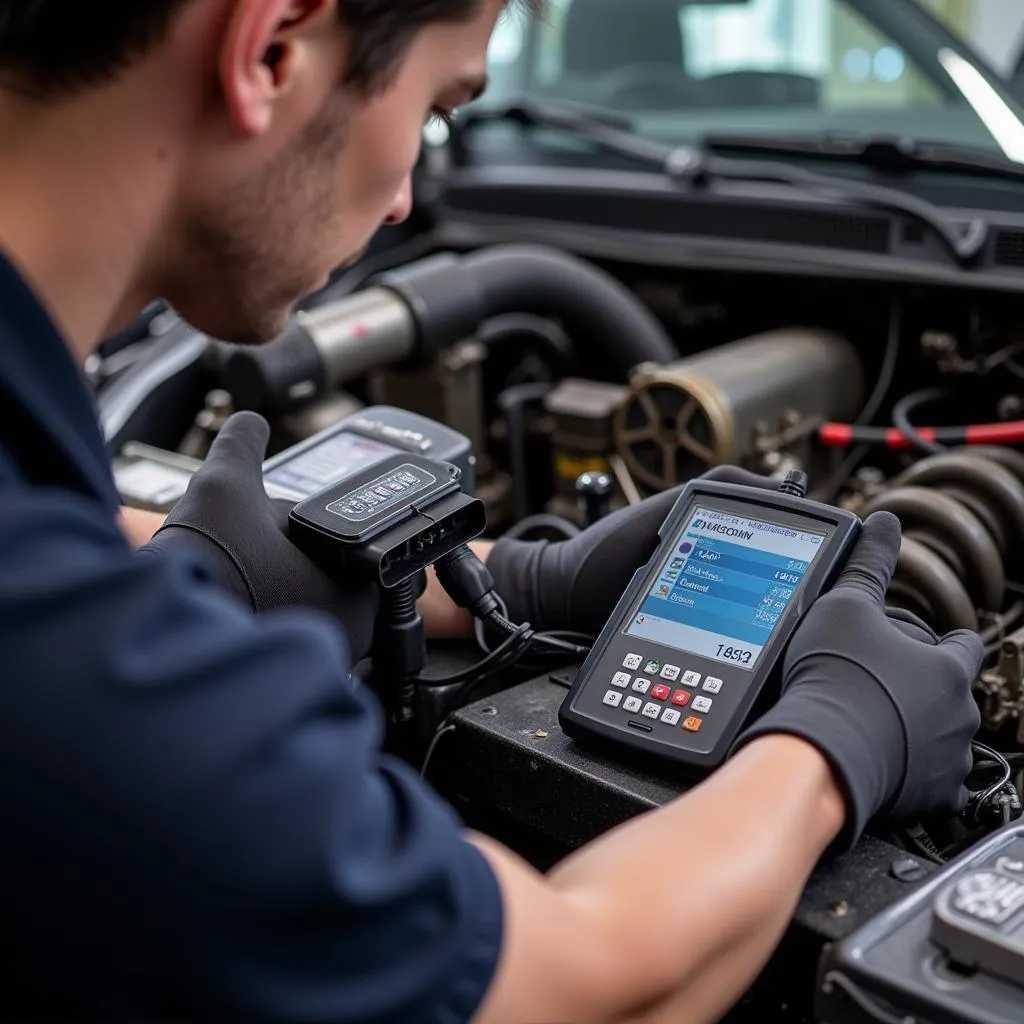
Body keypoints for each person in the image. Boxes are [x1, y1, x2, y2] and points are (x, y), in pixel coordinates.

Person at [0, 2, 983, 1021]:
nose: (405, 202)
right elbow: (585, 986)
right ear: (273, 46)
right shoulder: (53, 644)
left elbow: (90, 554)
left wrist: (504, 580)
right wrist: (831, 745)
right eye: (436, 110)